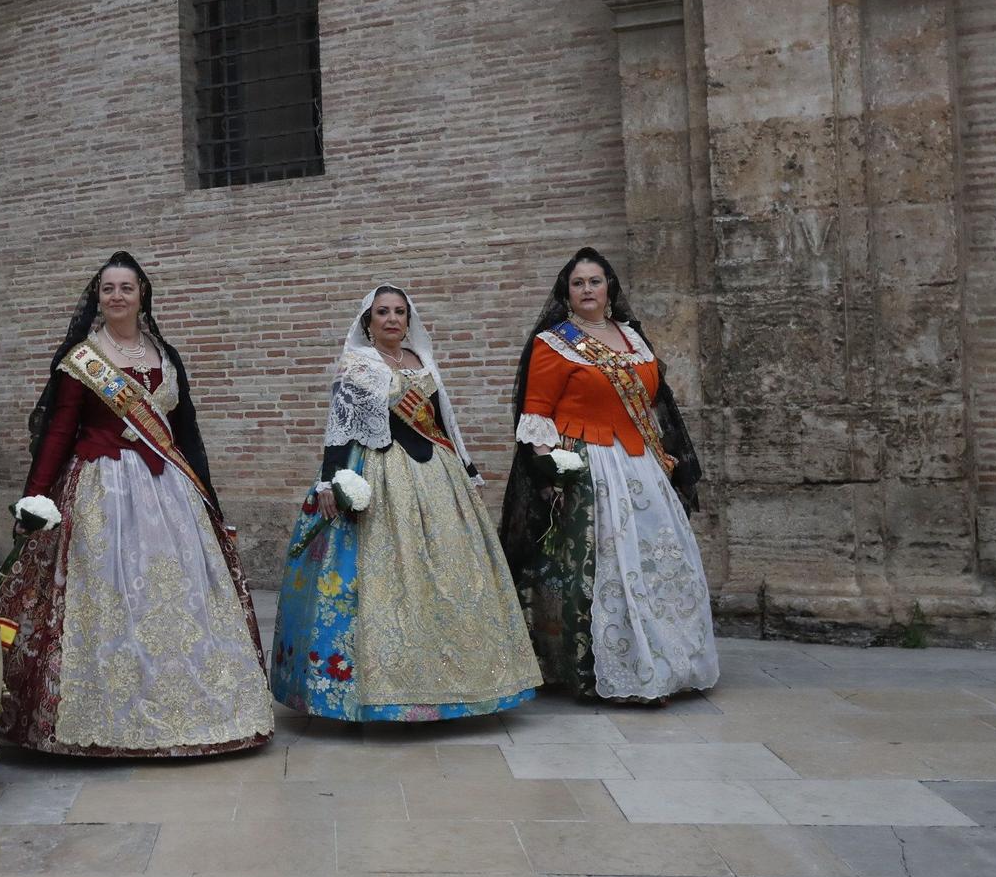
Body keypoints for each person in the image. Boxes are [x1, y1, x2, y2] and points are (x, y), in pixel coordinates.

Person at [0, 252, 273, 757]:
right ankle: (103, 720)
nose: (117, 296)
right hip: (104, 490)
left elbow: (186, 431)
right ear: (97, 299)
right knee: (110, 593)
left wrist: (208, 495)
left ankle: (200, 711)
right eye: (108, 289)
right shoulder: (83, 358)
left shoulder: (165, 354)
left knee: (182, 597)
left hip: (170, 489)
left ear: (142, 294)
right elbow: (59, 430)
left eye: (127, 287)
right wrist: (34, 494)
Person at [271, 286, 539, 721]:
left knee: (451, 573)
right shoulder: (357, 366)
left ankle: (461, 681)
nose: (392, 319)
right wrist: (329, 482)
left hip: (437, 475)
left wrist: (466, 470)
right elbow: (340, 429)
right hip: (380, 474)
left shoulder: (422, 362)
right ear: (368, 322)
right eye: (383, 313)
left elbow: (443, 422)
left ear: (408, 320)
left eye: (400, 312)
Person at [498, 248, 719, 704]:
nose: (587, 290)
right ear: (567, 292)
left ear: (610, 288)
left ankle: (669, 661)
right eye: (577, 283)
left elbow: (654, 403)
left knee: (659, 561)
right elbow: (536, 415)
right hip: (588, 463)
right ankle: (606, 668)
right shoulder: (553, 343)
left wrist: (666, 458)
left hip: (640, 461)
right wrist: (549, 471)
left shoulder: (633, 337)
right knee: (608, 567)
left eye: (594, 281)